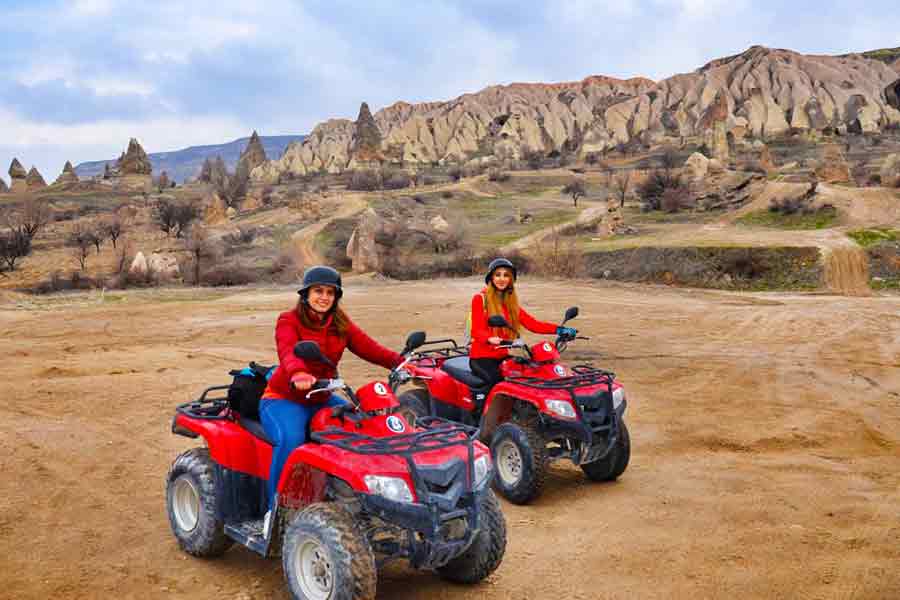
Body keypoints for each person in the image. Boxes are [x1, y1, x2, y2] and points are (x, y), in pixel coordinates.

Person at [260, 266, 402, 522]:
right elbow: (288, 350)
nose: (324, 297)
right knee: (291, 440)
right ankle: (275, 509)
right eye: (318, 291)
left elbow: (369, 347)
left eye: (330, 292)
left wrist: (398, 362)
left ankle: (360, 497)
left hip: (322, 397)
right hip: (285, 398)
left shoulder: (340, 324)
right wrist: (298, 374)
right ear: (306, 294)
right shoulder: (288, 320)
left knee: (363, 427)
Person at [469, 258, 577, 391]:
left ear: (511, 280)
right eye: (498, 275)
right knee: (498, 384)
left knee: (527, 375)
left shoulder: (510, 304)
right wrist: (489, 338)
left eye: (506, 275)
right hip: (481, 358)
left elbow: (533, 324)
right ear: (491, 278)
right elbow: (476, 330)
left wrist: (559, 330)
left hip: (502, 356)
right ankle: (485, 412)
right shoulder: (480, 299)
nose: (502, 279)